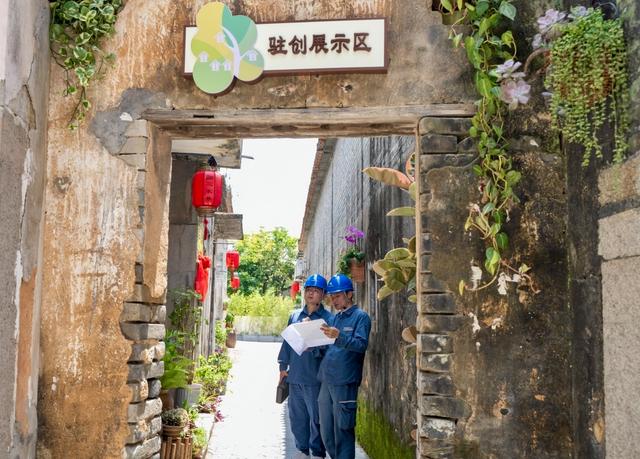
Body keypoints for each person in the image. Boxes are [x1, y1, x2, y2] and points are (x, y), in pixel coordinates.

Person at [278, 274, 333, 459]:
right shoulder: (295, 316)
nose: (311, 293)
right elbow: (287, 342)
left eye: (316, 290)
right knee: (297, 418)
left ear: (323, 295)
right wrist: (282, 366)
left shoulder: (327, 319)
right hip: (295, 376)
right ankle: (302, 450)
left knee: (316, 418)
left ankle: (317, 452)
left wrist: (313, 341)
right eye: (309, 290)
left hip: (315, 377)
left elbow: (330, 349)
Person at [317, 274, 371, 459]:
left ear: (349, 294)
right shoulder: (334, 318)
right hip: (327, 380)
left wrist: (339, 336)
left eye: (338, 295)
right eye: (332, 296)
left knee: (343, 430)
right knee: (326, 431)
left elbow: (361, 345)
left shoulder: (361, 317)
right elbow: (326, 344)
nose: (334, 300)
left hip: (345, 381)